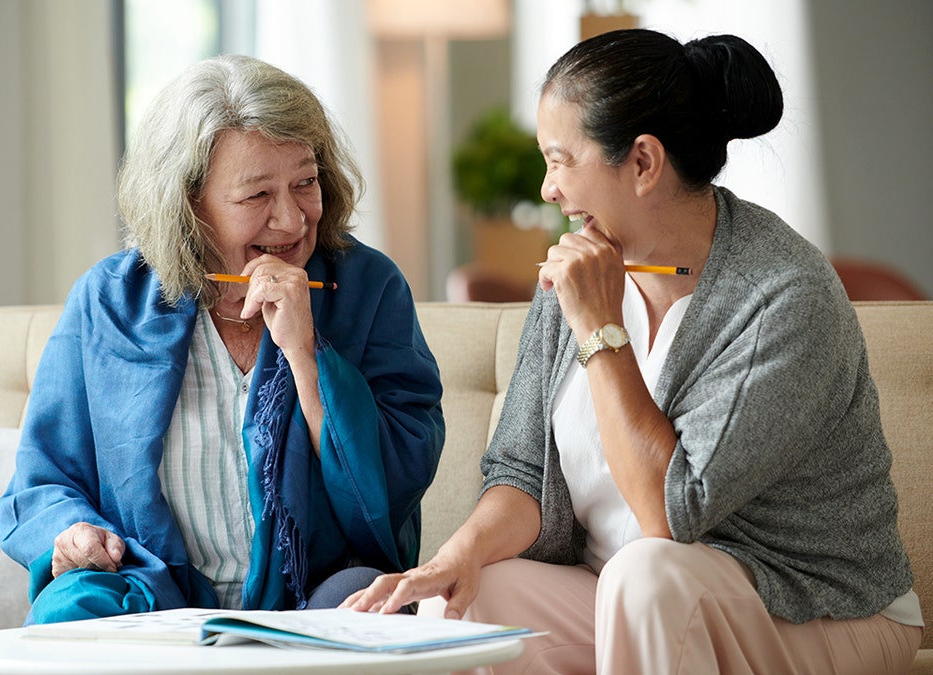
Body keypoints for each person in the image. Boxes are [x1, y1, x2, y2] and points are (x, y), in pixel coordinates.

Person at [344, 28, 923, 674]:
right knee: (472, 601)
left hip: (814, 608)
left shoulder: (780, 297)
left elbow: (671, 512)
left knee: (645, 576)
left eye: (560, 160)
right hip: (635, 595)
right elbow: (520, 473)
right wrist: (457, 556)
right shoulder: (579, 266)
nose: (546, 188)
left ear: (643, 162)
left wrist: (598, 328)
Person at [0, 54, 444, 624]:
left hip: (319, 590)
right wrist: (70, 535)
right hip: (149, 588)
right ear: (188, 204)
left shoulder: (368, 287)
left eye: (305, 183)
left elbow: (396, 481)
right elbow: (42, 481)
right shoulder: (109, 301)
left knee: (368, 607)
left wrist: (306, 355)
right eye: (257, 196)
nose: (291, 220)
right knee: (73, 609)